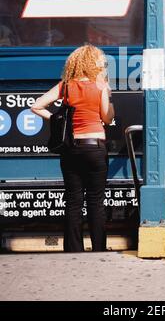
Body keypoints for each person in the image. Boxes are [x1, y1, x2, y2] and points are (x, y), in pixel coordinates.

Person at [31, 45, 114, 252]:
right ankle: (99, 249)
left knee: (73, 201)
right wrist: (109, 100)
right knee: (96, 201)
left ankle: (73, 250)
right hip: (95, 148)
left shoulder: (66, 85)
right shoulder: (100, 85)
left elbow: (36, 105)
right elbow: (107, 117)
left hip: (71, 149)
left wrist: (58, 121)